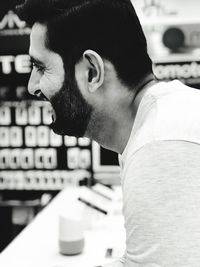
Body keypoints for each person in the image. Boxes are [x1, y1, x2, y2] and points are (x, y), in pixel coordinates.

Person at [16, 0, 200, 266]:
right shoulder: (158, 123)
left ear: (92, 72)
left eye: (41, 67)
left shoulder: (162, 145)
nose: (32, 86)